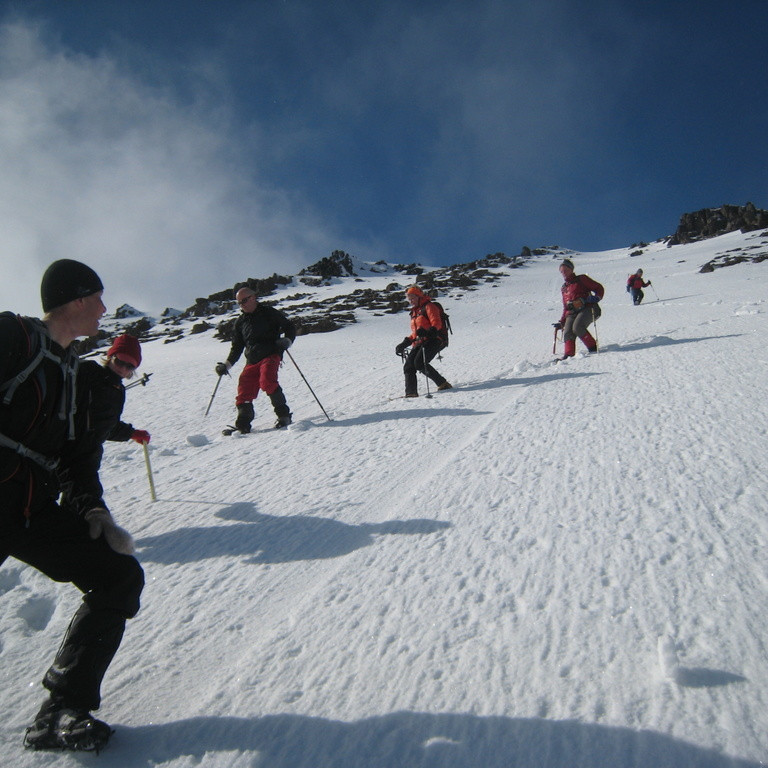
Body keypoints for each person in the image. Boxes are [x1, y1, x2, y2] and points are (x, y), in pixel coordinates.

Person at [0, 259, 144, 753]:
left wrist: (93, 511)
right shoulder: (13, 337)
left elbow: (76, 457)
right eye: (98, 299)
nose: (104, 310)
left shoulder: (70, 371)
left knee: (118, 575)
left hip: (31, 508)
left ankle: (62, 710)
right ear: (77, 299)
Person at [215, 285, 297, 432]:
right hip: (252, 360)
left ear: (253, 297)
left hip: (271, 354)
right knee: (244, 389)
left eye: (244, 300)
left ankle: (284, 416)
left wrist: (287, 340)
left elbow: (289, 327)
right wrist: (226, 365)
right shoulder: (240, 322)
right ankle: (243, 425)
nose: (242, 305)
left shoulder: (269, 313)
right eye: (239, 302)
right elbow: (237, 347)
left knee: (267, 381)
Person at [395, 285, 452, 397]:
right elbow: (415, 333)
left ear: (419, 296)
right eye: (409, 299)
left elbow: (437, 323)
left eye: (413, 298)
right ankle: (411, 393)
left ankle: (443, 384)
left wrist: (428, 332)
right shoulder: (414, 312)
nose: (411, 301)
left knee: (419, 363)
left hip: (434, 339)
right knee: (409, 366)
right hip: (420, 341)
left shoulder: (429, 306)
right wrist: (405, 343)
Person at [553, 258, 604, 359]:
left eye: (565, 270)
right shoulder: (564, 288)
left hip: (588, 308)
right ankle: (569, 355)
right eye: (561, 271)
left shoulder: (581, 279)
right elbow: (566, 307)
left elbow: (599, 288)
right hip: (572, 312)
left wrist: (596, 297)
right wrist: (562, 321)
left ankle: (593, 348)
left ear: (571, 269)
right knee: (568, 331)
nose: (563, 273)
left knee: (577, 327)